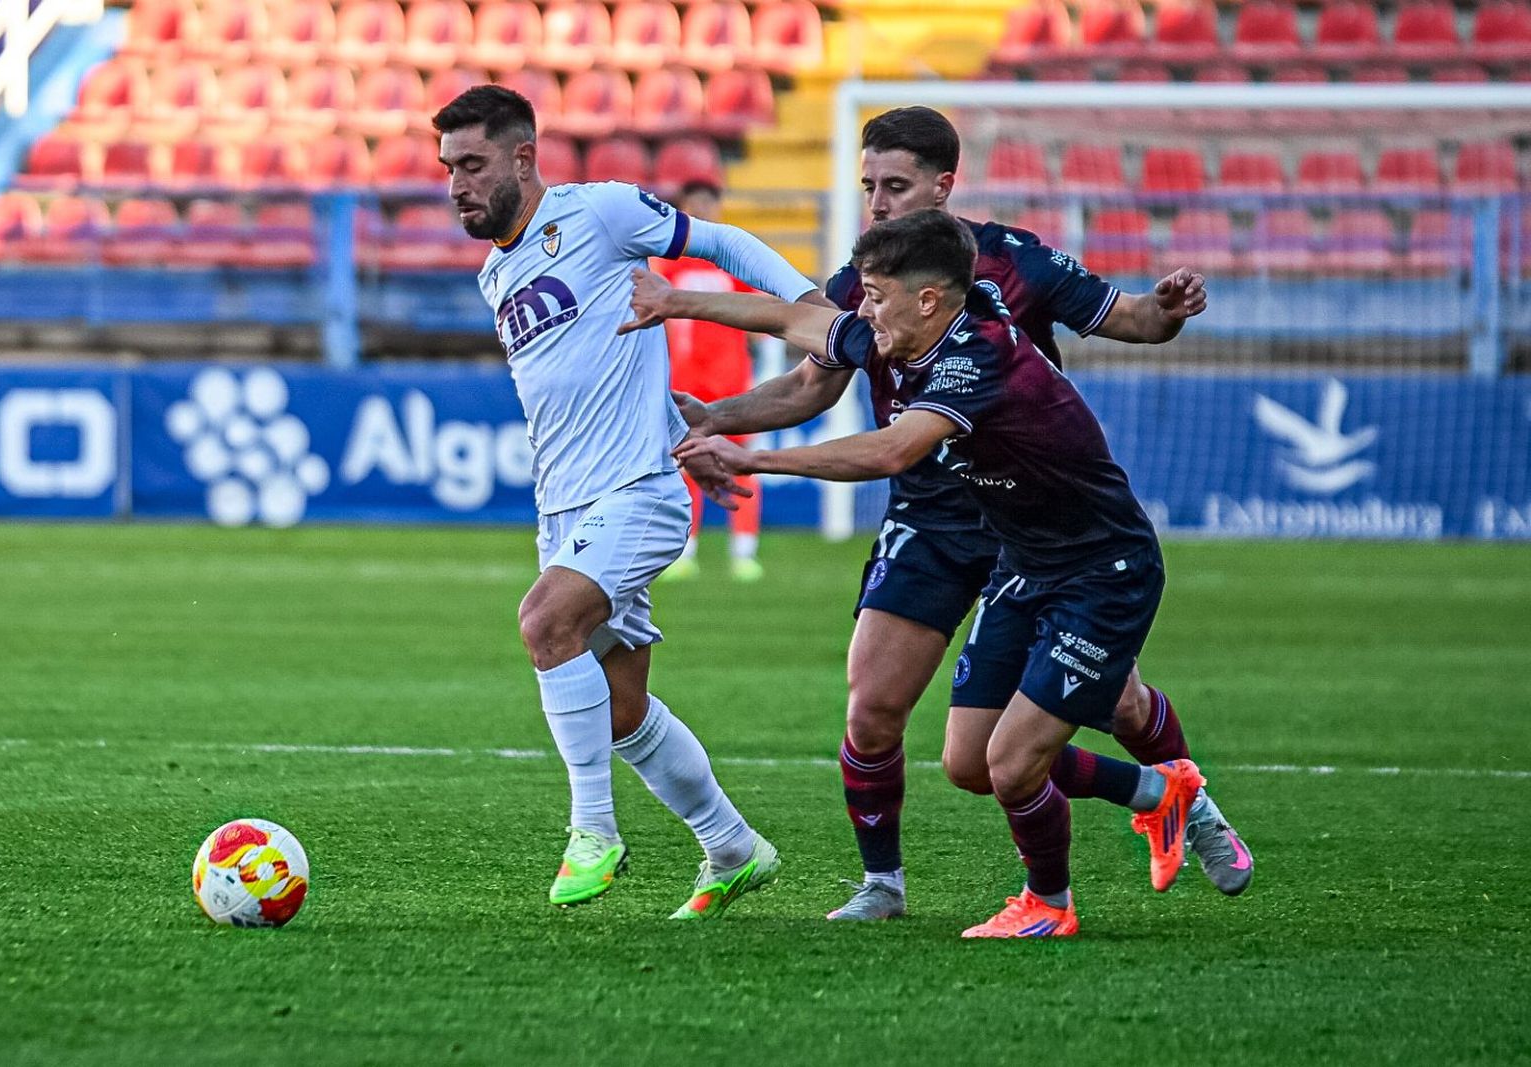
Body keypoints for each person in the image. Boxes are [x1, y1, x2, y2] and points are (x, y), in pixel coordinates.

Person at [670, 107, 1250, 921]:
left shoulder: (1006, 278)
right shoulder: (869, 286)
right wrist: (718, 412)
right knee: (881, 709)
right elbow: (810, 370)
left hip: (1039, 519)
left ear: (944, 187)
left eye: (894, 186)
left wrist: (1167, 306)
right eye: (867, 185)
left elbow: (1134, 320)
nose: (876, 202)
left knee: (1100, 705)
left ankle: (1183, 813)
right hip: (939, 514)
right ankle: (884, 884)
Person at [436, 84, 820, 918]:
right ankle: (733, 846)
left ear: (523, 157)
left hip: (640, 493)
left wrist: (808, 304)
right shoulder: (495, 272)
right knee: (621, 707)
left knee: (544, 622)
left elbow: (715, 240)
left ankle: (594, 829)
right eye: (448, 169)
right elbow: (582, 377)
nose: (457, 185)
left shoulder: (601, 214)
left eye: (472, 164)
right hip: (565, 508)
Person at [653, 179, 765, 583]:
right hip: (685, 385)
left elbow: (760, 317)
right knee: (685, 469)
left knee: (743, 466)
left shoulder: (731, 261)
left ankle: (744, 553)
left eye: (707, 204)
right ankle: (685, 551)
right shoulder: (667, 264)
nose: (701, 211)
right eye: (693, 204)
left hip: (731, 383)